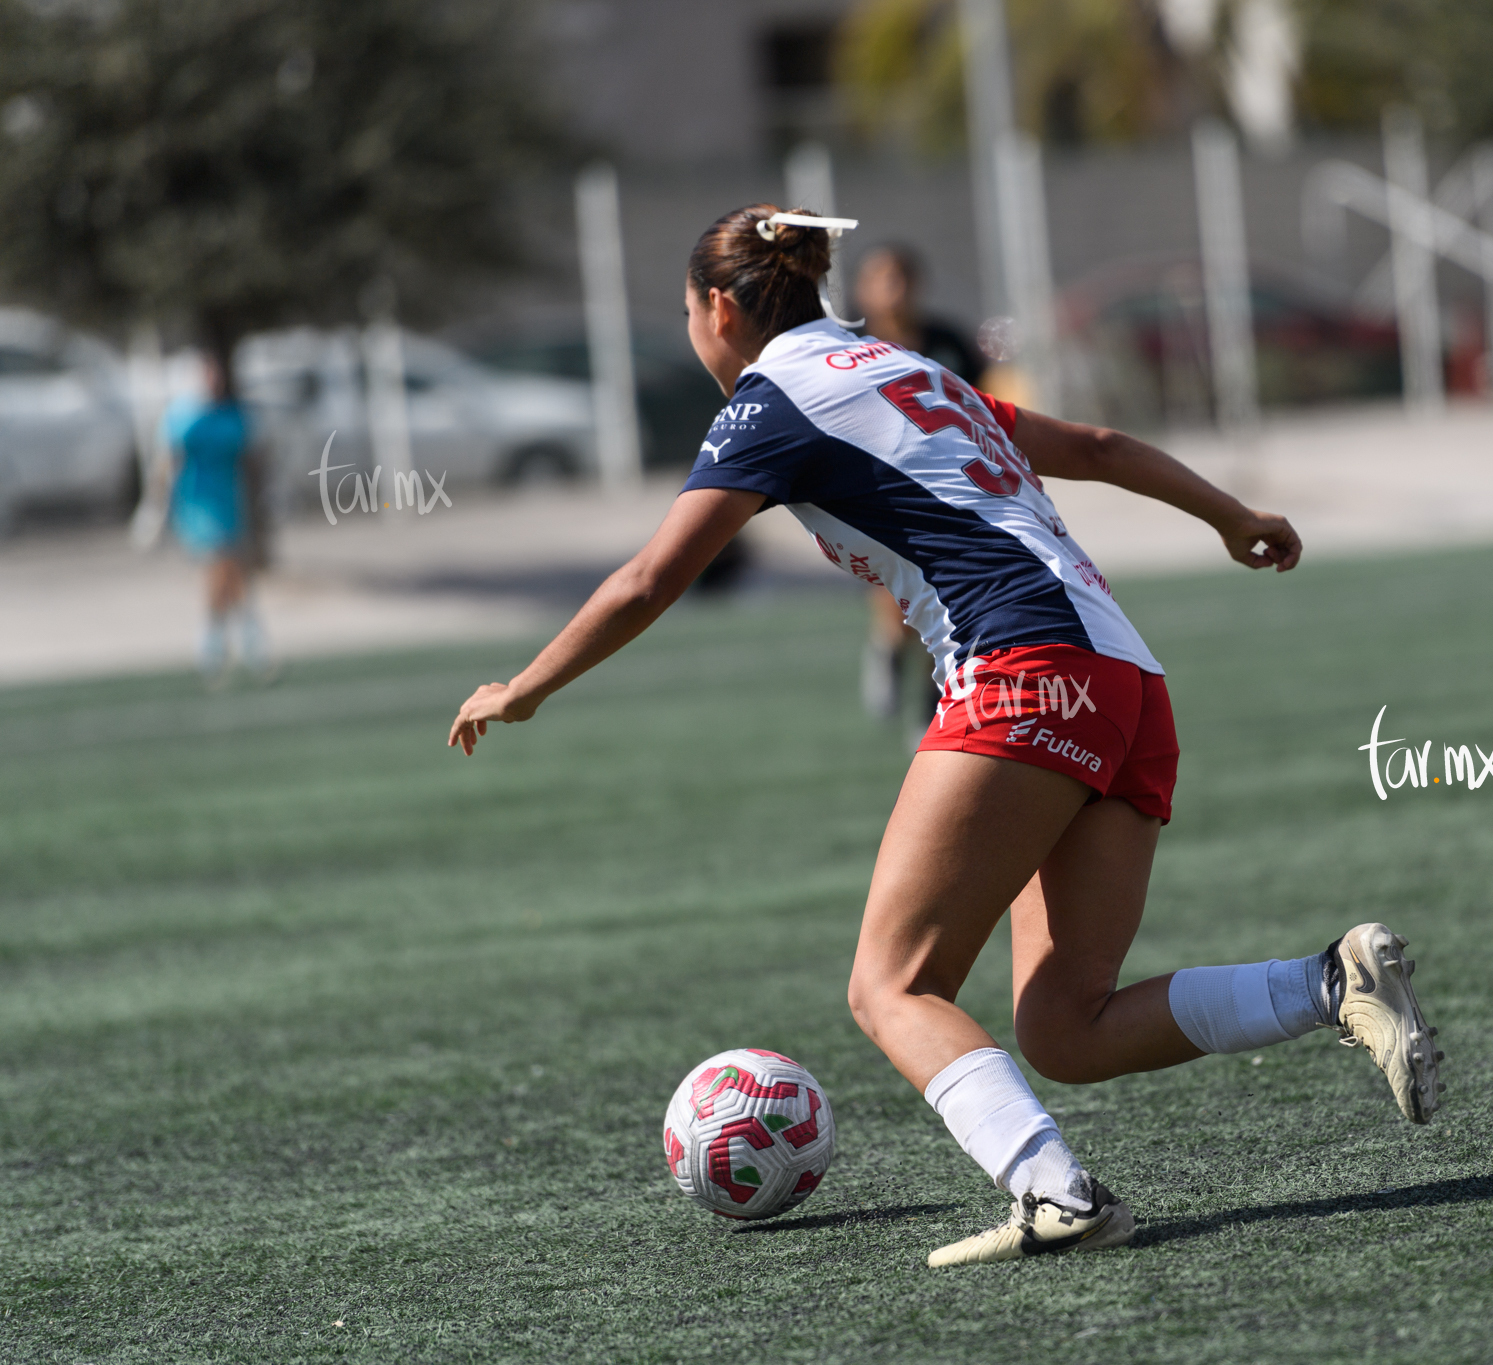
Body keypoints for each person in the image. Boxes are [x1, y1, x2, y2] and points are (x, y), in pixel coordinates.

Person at [447, 204, 1442, 1267]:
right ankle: (1329, 985)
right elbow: (1094, 445)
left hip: (1021, 675)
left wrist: (528, 685)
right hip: (1128, 685)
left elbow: (651, 579)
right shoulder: (904, 368)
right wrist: (1229, 514)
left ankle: (1054, 1193)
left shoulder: (768, 401)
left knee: (890, 986)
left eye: (689, 311)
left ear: (719, 308)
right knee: (1065, 1027)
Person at [849, 244, 987, 730]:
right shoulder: (847, 349)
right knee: (901, 595)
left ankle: (935, 709)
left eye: (903, 277)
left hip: (951, 488)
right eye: (883, 278)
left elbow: (984, 407)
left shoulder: (947, 341)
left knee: (949, 603)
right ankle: (888, 647)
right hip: (880, 490)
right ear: (862, 289)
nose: (895, 289)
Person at [163, 351, 271, 685]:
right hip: (197, 501)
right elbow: (170, 461)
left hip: (229, 500)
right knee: (219, 564)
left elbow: (252, 461)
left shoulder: (233, 416)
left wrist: (263, 500)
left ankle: (227, 635)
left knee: (234, 567)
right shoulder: (183, 417)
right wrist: (156, 506)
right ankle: (229, 637)